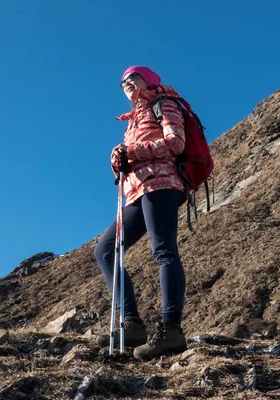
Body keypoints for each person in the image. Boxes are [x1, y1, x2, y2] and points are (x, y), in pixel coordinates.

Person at [93, 66, 188, 360]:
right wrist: (118, 158)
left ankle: (170, 329)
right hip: (137, 191)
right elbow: (133, 154)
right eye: (122, 80)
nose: (125, 83)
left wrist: (132, 152)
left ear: (150, 79)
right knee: (105, 250)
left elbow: (176, 142)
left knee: (164, 251)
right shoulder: (133, 119)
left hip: (161, 184)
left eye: (132, 77)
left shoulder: (164, 104)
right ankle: (132, 324)